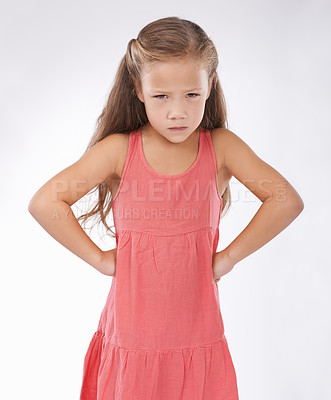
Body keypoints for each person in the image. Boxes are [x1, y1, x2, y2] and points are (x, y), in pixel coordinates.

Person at [28, 16, 304, 400]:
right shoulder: (119, 151)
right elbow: (46, 202)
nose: (178, 112)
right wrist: (100, 260)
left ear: (210, 86)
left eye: (192, 94)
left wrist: (227, 258)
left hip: (198, 332)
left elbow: (285, 199)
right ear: (138, 89)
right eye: (162, 96)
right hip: (133, 335)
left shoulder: (220, 147)